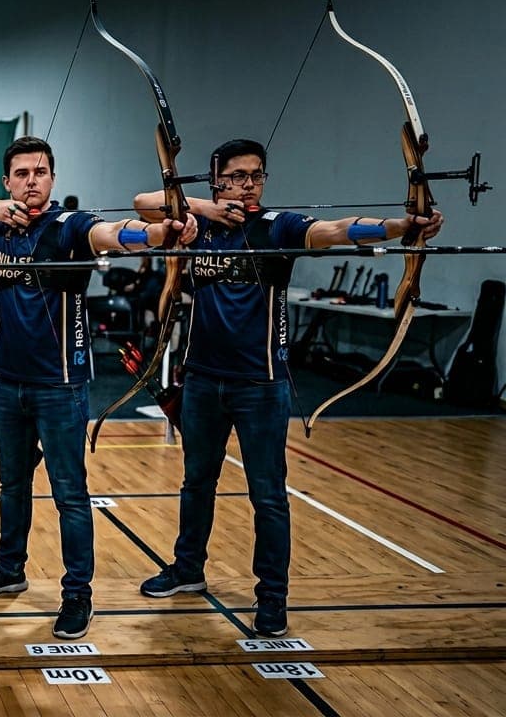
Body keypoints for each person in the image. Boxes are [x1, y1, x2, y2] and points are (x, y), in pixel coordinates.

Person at [131, 138, 443, 638]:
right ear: (216, 179)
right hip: (204, 379)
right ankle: (187, 569)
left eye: (256, 175)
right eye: (236, 175)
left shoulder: (280, 227)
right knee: (196, 483)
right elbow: (144, 203)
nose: (248, 184)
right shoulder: (198, 223)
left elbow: (338, 230)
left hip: (262, 384)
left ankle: (272, 597)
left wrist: (403, 226)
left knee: (269, 496)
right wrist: (207, 208)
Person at [0, 136, 194, 640]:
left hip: (61, 385)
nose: (33, 181)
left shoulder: (71, 227)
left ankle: (78, 595)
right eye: (23, 173)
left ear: (53, 178)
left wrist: (162, 234)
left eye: (42, 172)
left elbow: (118, 234)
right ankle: (10, 571)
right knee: (12, 484)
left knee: (70, 494)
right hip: (8, 384)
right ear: (8, 181)